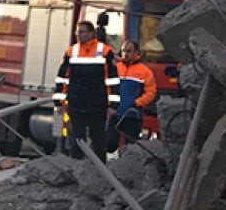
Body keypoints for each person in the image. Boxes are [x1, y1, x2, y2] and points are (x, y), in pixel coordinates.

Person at [53, 21, 119, 163]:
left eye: (82, 32)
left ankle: (100, 171)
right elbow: (63, 77)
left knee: (98, 140)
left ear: (91, 33)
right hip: (76, 103)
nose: (79, 35)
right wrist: (58, 101)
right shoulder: (71, 51)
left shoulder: (105, 51)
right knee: (77, 140)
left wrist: (113, 104)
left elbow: (112, 79)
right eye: (78, 32)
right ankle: (76, 170)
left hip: (97, 104)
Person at [106, 40, 156, 153]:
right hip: (115, 114)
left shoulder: (145, 71)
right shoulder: (116, 68)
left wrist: (137, 103)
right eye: (123, 51)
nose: (125, 54)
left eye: (129, 51)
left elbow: (151, 92)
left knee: (130, 148)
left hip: (132, 115)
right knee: (109, 144)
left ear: (136, 52)